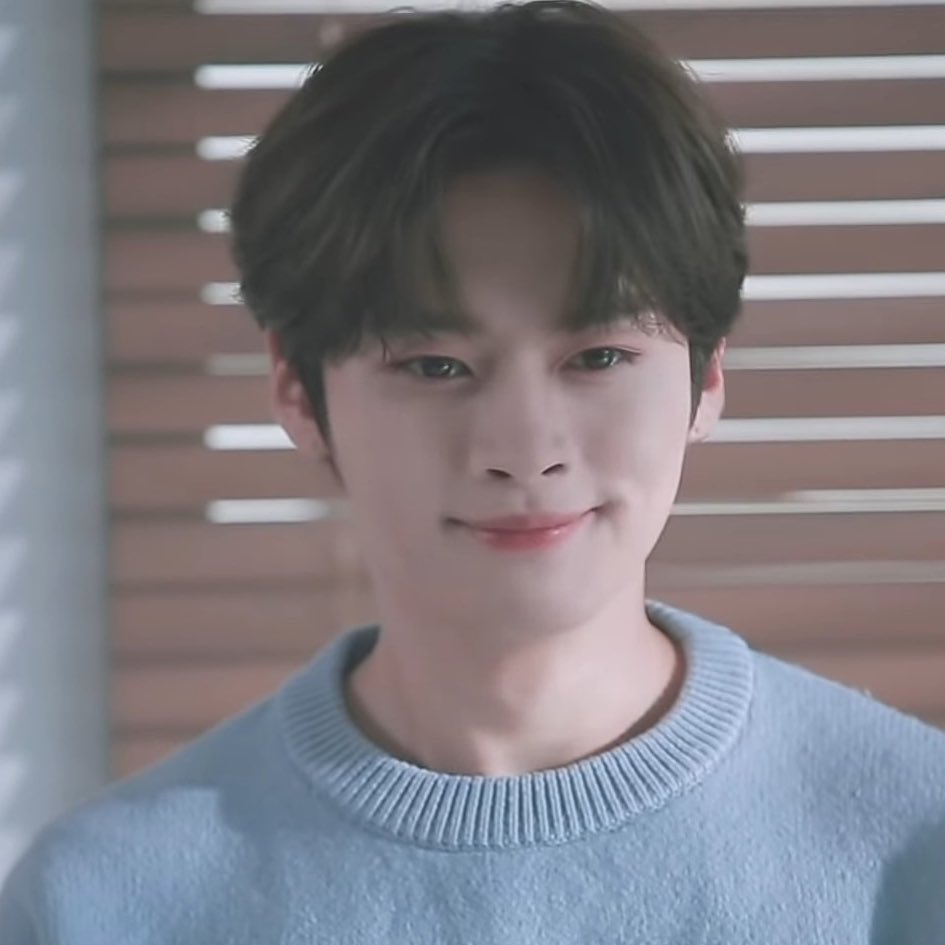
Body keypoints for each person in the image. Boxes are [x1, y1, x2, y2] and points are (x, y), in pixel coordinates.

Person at [2, 2, 944, 941]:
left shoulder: (913, 842)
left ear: (707, 378)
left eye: (599, 357)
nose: (525, 448)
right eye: (434, 366)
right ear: (296, 387)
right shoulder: (105, 901)